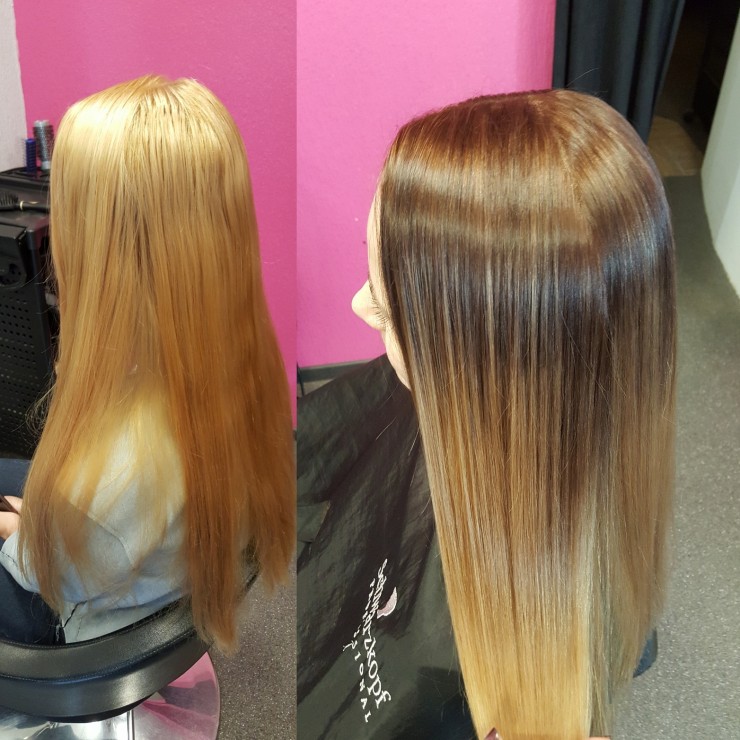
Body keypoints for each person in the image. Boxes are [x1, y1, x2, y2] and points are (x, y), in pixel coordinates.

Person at [351, 90, 676, 739]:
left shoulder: (512, 667)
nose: (359, 306)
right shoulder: (619, 476)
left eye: (386, 310)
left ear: (485, 371)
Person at [0, 75, 294, 651]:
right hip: (153, 554)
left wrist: (16, 527)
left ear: (102, 251)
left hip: (79, 613)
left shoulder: (121, 464)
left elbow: (50, 573)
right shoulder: (235, 365)